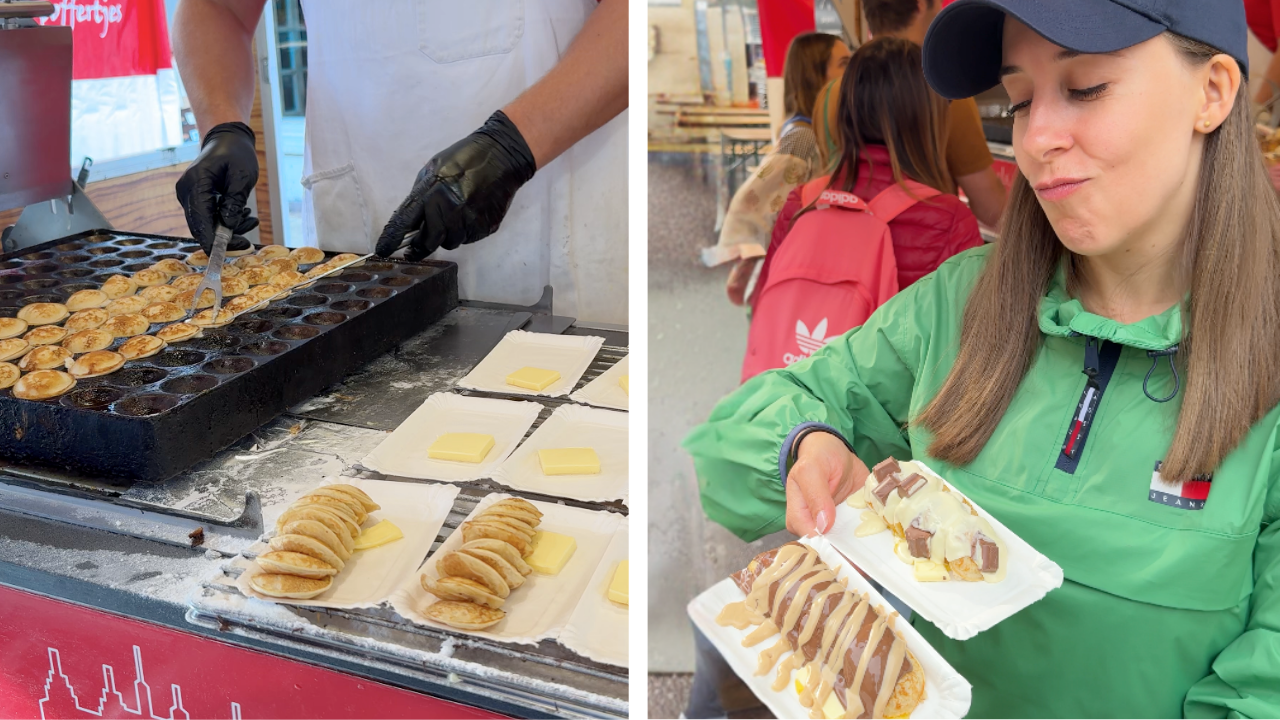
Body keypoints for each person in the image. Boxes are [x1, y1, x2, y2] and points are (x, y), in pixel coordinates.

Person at [684, 0, 1280, 716]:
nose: (1037, 139)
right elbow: (736, 439)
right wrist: (804, 446)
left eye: (1085, 86)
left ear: (1212, 91)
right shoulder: (959, 305)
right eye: (1020, 100)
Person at [170, 1, 628, 324]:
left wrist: (513, 145)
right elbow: (219, 8)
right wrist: (223, 126)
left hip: (550, 199)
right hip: (356, 228)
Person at [748, 36, 982, 313]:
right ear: (927, 117)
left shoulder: (801, 202)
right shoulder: (949, 221)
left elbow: (766, 304)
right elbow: (971, 328)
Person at [812, 0, 1007, 230]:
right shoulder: (943, 92)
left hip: (842, 244)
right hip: (926, 245)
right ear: (921, 4)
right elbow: (990, 207)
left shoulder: (829, 96)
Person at [717, 33, 850, 306]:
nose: (852, 73)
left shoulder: (819, 131)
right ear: (816, 75)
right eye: (844, 64)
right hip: (794, 286)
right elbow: (747, 204)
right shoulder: (802, 138)